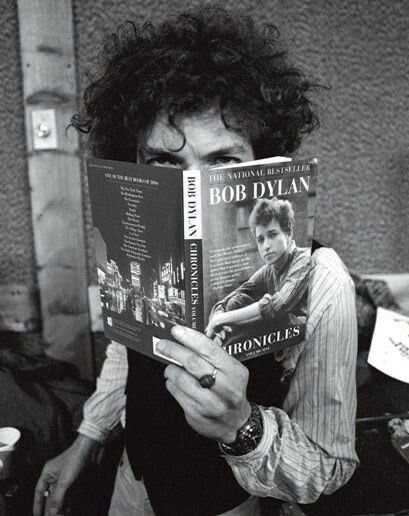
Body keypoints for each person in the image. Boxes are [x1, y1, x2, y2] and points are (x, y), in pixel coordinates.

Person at [33, 6, 358, 516]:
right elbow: (128, 350)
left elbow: (329, 467)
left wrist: (241, 427)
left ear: (264, 164)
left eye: (223, 161)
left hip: (231, 504)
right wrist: (87, 438)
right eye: (165, 162)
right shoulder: (137, 244)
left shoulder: (321, 281)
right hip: (133, 483)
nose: (190, 190)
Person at [206, 197, 310, 342]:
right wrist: (218, 319)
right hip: (282, 343)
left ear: (288, 234)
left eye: (272, 235)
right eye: (261, 239)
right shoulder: (269, 270)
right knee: (237, 300)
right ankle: (220, 340)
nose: (266, 246)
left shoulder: (305, 258)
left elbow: (278, 306)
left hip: (309, 342)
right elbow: (230, 299)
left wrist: (220, 320)